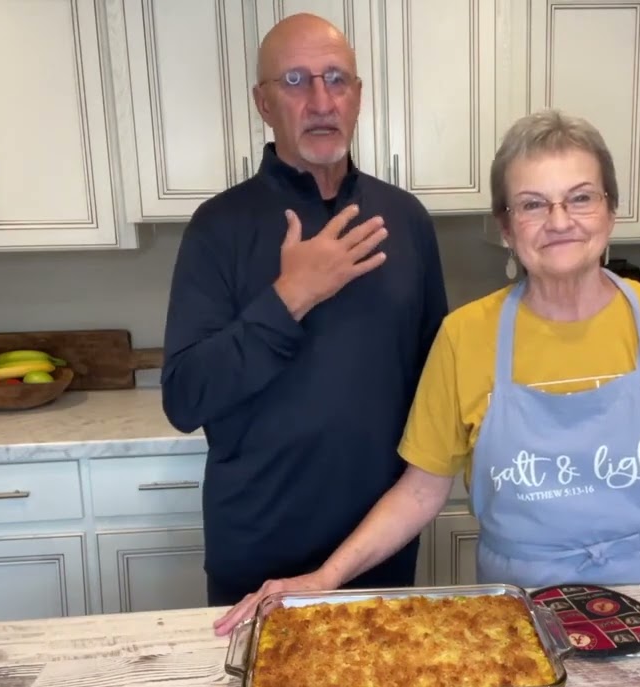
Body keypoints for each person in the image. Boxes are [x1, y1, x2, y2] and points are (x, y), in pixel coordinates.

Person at [214, 108, 640, 687]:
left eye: (580, 198)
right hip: (519, 624)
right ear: (505, 226)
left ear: (611, 210)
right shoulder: (466, 336)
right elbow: (420, 492)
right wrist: (324, 580)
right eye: (532, 204)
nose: (559, 221)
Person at [160, 13, 448, 606]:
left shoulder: (407, 221)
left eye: (336, 79)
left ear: (359, 97)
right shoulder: (218, 228)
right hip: (257, 554)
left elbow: (435, 386)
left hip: (379, 550)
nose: (321, 101)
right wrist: (292, 297)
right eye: (295, 81)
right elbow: (186, 399)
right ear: (263, 103)